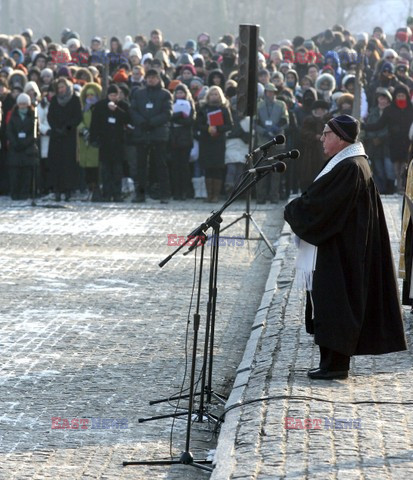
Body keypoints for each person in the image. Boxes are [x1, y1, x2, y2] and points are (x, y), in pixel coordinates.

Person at [284, 114, 407, 380]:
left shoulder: (350, 166)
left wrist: (294, 210)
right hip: (338, 245)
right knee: (329, 302)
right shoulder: (347, 162)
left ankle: (336, 364)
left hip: (341, 249)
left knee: (336, 303)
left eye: (326, 133)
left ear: (340, 138)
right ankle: (331, 362)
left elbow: (323, 206)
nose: (322, 138)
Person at [129, 68, 172, 203]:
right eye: (149, 77)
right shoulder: (139, 93)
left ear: (158, 79)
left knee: (161, 165)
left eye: (153, 77)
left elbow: (167, 113)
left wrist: (152, 122)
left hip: (158, 134)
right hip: (142, 133)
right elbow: (133, 110)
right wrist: (142, 122)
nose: (151, 80)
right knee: (141, 166)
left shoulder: (165, 94)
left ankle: (164, 194)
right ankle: (140, 194)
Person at [89, 84, 129, 202]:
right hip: (105, 142)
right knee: (105, 170)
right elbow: (94, 124)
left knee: (117, 169)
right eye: (111, 95)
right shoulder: (100, 106)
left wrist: (116, 110)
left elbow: (127, 119)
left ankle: (117, 193)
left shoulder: (123, 105)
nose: (113, 98)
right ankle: (106, 193)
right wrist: (94, 139)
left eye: (115, 95)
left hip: (118, 142)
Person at [196, 85, 233, 202]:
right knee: (207, 168)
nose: (214, 96)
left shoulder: (224, 109)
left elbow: (229, 125)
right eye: (212, 94)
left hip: (218, 142)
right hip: (206, 141)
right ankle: (209, 194)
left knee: (217, 168)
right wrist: (208, 128)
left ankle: (215, 195)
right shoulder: (203, 108)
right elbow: (197, 124)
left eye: (216, 94)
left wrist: (217, 128)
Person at [47, 77, 82, 201]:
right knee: (56, 163)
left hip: (69, 136)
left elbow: (78, 116)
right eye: (59, 88)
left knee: (68, 163)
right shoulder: (55, 101)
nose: (61, 90)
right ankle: (57, 189)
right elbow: (50, 116)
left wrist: (67, 127)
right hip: (57, 136)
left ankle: (68, 190)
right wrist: (56, 128)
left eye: (63, 87)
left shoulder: (75, 99)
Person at [6, 92, 39, 200]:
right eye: (21, 104)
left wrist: (25, 143)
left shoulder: (33, 116)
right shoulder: (13, 116)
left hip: (27, 149)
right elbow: (9, 131)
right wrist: (15, 143)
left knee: (26, 173)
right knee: (15, 173)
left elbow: (34, 133)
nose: (23, 106)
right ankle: (15, 193)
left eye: (25, 104)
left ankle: (25, 193)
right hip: (15, 148)